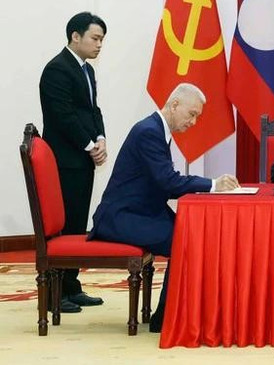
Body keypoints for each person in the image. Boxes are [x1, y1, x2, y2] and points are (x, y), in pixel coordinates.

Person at [89, 83, 239, 333]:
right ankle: (166, 318)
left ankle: (180, 312)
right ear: (174, 104)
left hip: (141, 211)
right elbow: (168, 181)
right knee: (184, 241)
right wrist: (213, 184)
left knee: (191, 233)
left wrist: (204, 186)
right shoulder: (149, 131)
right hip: (120, 217)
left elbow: (165, 182)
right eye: (192, 114)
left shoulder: (155, 129)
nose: (193, 122)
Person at [39, 12, 109, 313]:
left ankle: (71, 285)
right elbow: (62, 116)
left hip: (82, 159)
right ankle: (56, 292)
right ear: (75, 37)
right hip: (65, 161)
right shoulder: (57, 69)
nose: (99, 45)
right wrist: (89, 144)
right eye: (95, 38)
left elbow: (92, 110)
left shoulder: (86, 70)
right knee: (63, 226)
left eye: (102, 40)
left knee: (77, 223)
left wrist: (101, 137)